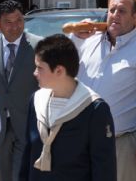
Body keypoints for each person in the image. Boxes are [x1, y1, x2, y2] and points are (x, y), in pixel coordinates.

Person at [70, 0, 136, 181]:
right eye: (112, 10)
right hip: (82, 140)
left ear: (134, 16)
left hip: (123, 143)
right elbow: (63, 73)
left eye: (122, 11)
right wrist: (75, 38)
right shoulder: (88, 42)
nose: (115, 14)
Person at [19, 35, 116, 181]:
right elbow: (28, 154)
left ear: (59, 70)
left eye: (40, 68)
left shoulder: (94, 109)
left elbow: (104, 167)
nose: (35, 73)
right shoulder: (37, 100)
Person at [0, 0, 43, 181]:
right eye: (9, 22)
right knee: (3, 174)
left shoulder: (39, 47)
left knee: (21, 174)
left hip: (29, 124)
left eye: (19, 20)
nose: (15, 27)